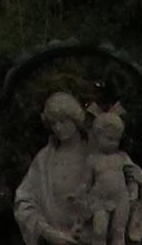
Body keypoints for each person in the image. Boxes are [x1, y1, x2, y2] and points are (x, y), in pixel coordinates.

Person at [14, 92, 98, 245]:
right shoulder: (43, 159)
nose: (58, 128)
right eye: (53, 123)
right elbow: (24, 202)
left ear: (75, 119)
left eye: (62, 121)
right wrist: (47, 232)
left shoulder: (96, 151)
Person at [85, 105, 142, 245]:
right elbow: (86, 181)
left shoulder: (122, 157)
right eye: (109, 138)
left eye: (116, 140)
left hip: (121, 198)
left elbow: (132, 176)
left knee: (118, 230)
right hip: (99, 198)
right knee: (99, 230)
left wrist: (133, 191)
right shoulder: (92, 159)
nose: (113, 143)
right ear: (97, 136)